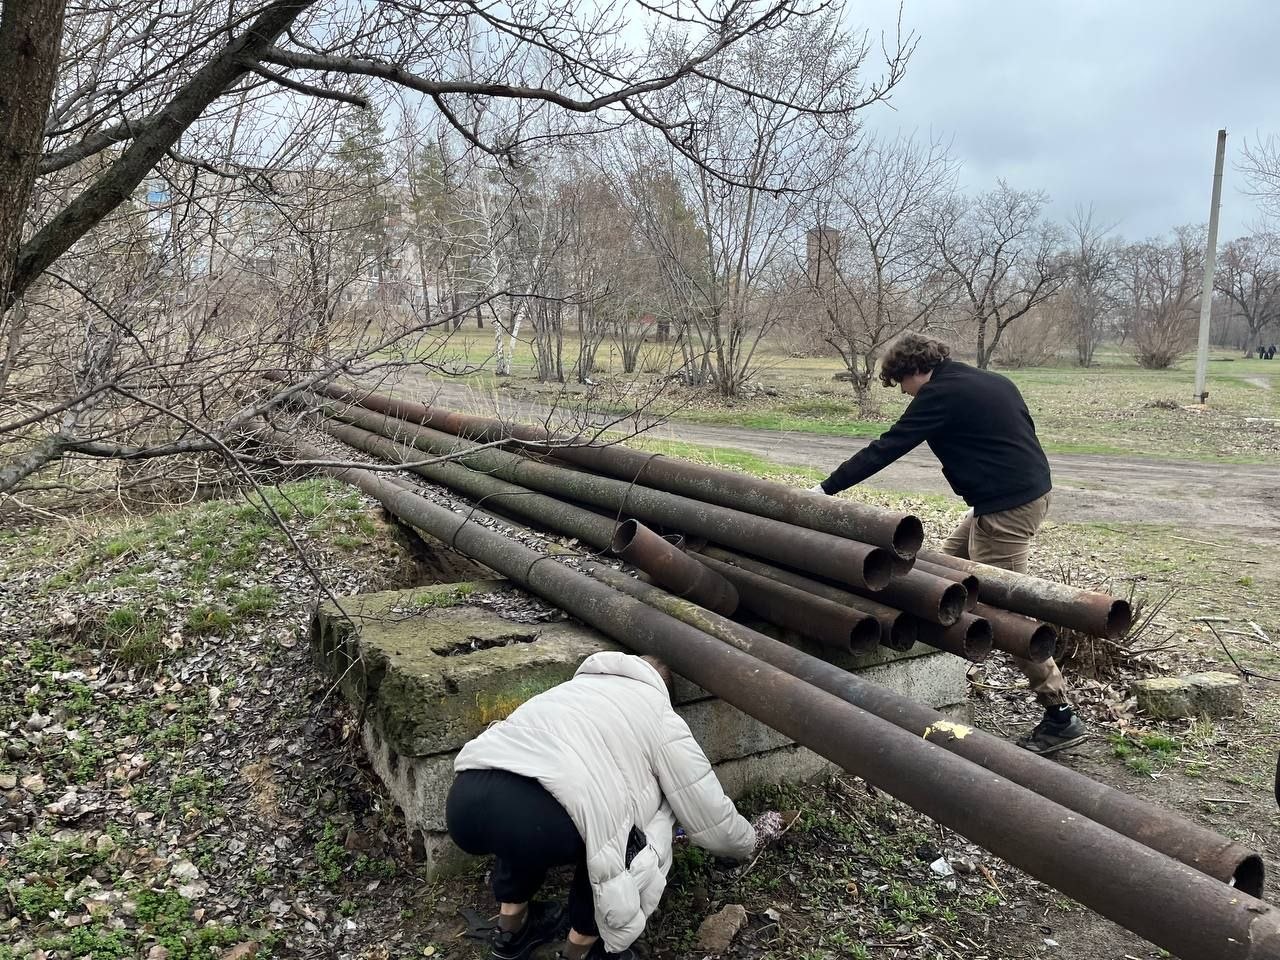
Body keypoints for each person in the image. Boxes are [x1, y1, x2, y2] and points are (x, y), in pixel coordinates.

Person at [808, 333, 1087, 755]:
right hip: (1016, 496)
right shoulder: (991, 381)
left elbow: (888, 446)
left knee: (1005, 607)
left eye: (901, 383)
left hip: (1006, 508)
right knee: (938, 574)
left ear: (914, 370)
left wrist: (825, 489)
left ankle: (1059, 714)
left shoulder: (940, 395)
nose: (903, 392)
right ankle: (926, 668)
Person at [445, 652, 759, 960]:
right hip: (546, 821)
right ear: (662, 690)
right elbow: (709, 811)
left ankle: (511, 929)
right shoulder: (658, 713)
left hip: (465, 799)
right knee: (614, 831)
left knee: (530, 806)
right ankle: (581, 948)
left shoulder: (567, 690)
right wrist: (747, 842)